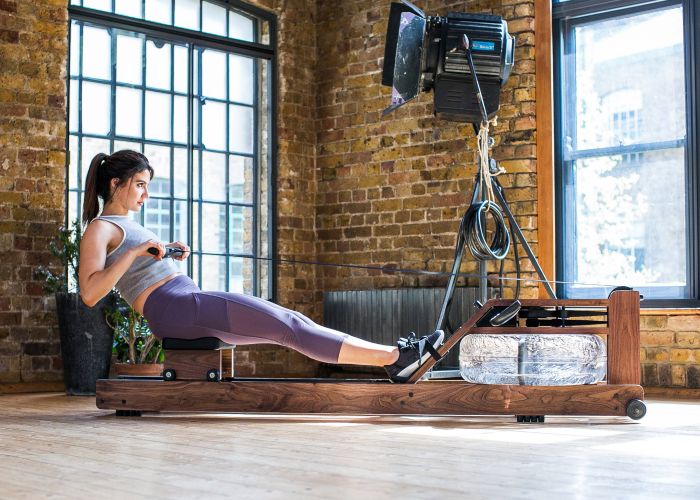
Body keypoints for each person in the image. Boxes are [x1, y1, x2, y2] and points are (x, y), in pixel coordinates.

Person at [78, 150, 443, 383]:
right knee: (290, 325)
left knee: (291, 324)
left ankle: (396, 360)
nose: (146, 194)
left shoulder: (128, 226)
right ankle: (396, 359)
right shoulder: (100, 228)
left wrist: (167, 251)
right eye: (140, 185)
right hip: (177, 310)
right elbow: (91, 293)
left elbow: (139, 264)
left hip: (185, 303)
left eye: (147, 186)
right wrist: (135, 252)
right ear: (115, 183)